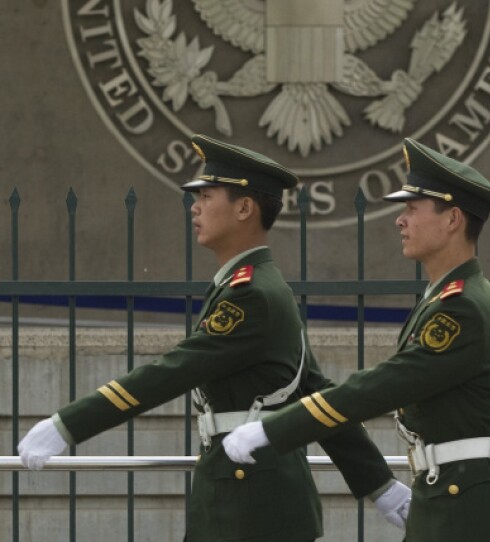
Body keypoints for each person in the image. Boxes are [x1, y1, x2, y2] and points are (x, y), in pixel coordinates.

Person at [221, 137, 490, 541]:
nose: (400, 218)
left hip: (474, 509)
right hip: (455, 497)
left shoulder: (462, 308)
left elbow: (386, 384)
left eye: (414, 207)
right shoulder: (456, 299)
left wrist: (275, 429)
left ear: (452, 219)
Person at [17, 134, 410, 541]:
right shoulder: (253, 286)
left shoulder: (252, 294)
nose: (196, 207)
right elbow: (315, 393)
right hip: (248, 497)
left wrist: (67, 425)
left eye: (207, 196)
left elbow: (173, 371)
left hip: (251, 504)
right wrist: (378, 483)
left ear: (244, 207)